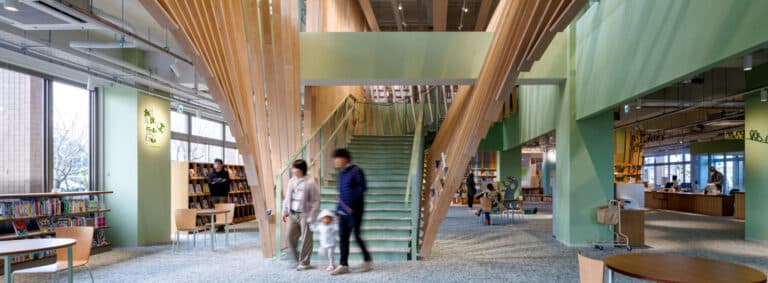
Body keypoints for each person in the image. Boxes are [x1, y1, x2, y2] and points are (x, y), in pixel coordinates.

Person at [330, 148, 372, 276]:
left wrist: (351, 205)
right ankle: (343, 265)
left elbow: (362, 188)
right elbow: (340, 195)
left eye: (338, 158)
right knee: (343, 238)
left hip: (355, 211)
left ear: (345, 159)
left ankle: (367, 260)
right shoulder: (341, 174)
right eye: (335, 159)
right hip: (343, 212)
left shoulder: (356, 171)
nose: (336, 161)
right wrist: (337, 211)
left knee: (357, 235)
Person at [281, 159, 320, 271]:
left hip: (305, 214)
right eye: (293, 168)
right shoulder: (291, 181)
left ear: (301, 169)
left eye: (295, 168)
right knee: (289, 236)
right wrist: (285, 212)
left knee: (306, 239)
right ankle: (298, 259)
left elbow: (316, 200)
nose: (293, 170)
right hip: (292, 214)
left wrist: (311, 216)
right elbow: (286, 198)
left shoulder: (311, 182)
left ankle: (305, 262)